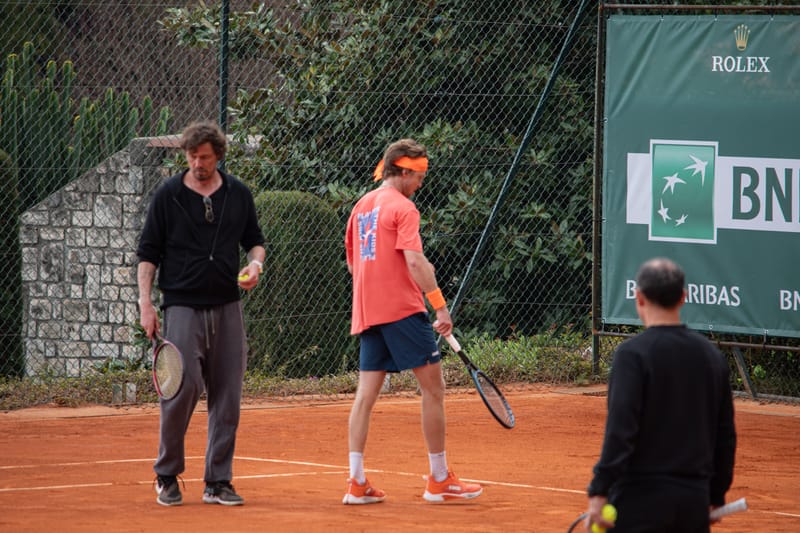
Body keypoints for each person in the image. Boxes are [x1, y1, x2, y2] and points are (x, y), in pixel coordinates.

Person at [342, 138, 482, 504]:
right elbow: (416, 262)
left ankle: (356, 483)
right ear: (403, 171)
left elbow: (354, 263)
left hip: (368, 311)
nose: (421, 182)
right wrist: (440, 307)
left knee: (365, 396)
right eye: (418, 175)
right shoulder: (403, 207)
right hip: (402, 311)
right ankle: (439, 480)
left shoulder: (361, 206)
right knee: (433, 390)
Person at [136, 120, 266, 507]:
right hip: (181, 306)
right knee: (183, 386)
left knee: (228, 395)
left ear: (218, 156)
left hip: (228, 305)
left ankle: (218, 481)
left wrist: (255, 267)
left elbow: (255, 243)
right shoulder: (168, 195)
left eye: (205, 157)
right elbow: (147, 254)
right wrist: (145, 304)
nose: (197, 163)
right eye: (192, 156)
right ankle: (166, 474)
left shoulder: (238, 194)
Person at [585, 258, 737, 532]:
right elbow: (725, 435)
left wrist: (599, 491)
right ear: (683, 297)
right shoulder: (712, 356)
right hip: (693, 501)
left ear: (639, 298)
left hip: (640, 500)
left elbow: (621, 430)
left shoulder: (632, 355)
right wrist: (715, 495)